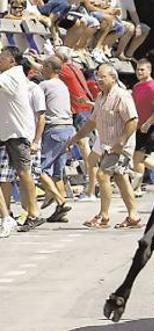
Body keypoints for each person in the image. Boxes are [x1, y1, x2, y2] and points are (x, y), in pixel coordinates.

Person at [67, 64, 141, 229]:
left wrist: (121, 141)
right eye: (97, 76)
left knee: (102, 175)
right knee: (121, 179)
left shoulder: (122, 96)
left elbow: (133, 120)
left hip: (120, 147)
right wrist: (75, 138)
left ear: (113, 78)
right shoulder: (101, 97)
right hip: (108, 145)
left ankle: (104, 216)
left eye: (103, 76)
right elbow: (92, 122)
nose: (98, 79)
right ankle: (133, 216)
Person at [0, 46, 45, 232]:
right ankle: (8, 213)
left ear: (12, 61)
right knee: (7, 177)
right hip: (9, 134)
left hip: (17, 134)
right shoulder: (13, 75)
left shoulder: (12, 76)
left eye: (2, 58)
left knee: (24, 174)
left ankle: (33, 213)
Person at [38, 56, 75, 223]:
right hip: (68, 129)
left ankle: (60, 200)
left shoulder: (44, 85)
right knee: (58, 173)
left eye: (43, 66)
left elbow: (39, 111)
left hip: (54, 129)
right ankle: (60, 210)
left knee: (38, 170)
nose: (41, 69)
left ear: (48, 67)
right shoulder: (62, 85)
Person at [131, 59, 154, 194]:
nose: (139, 72)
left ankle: (137, 188)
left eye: (142, 70)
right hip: (139, 126)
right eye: (138, 70)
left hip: (151, 126)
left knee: (138, 157)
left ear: (149, 70)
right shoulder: (137, 86)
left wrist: (148, 122)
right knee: (141, 156)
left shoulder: (152, 87)